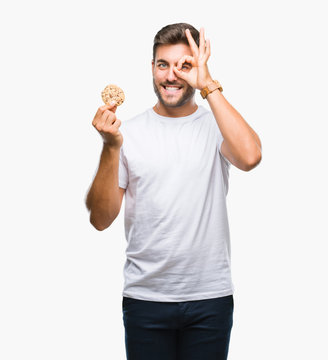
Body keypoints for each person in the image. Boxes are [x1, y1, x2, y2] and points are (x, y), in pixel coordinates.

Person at [85, 23, 262, 360]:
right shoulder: (128, 133)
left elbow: (251, 157)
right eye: (163, 64)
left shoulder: (216, 125)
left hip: (210, 298)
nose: (171, 75)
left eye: (185, 65)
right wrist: (110, 147)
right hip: (146, 299)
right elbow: (100, 219)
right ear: (152, 68)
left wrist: (208, 83)